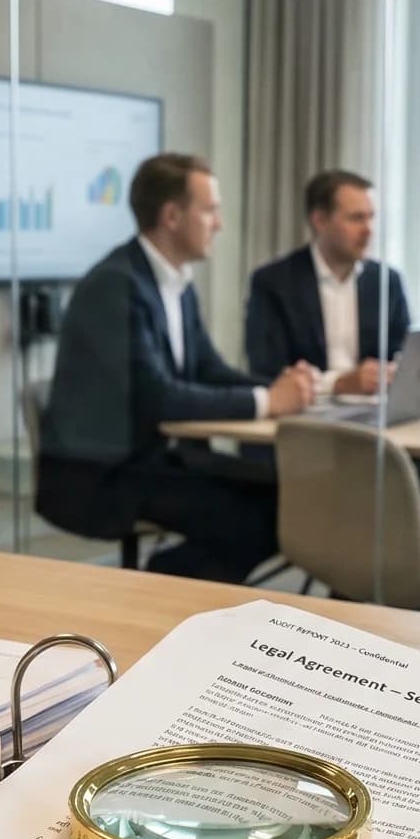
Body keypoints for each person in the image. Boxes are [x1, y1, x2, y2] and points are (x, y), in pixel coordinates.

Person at [37, 153, 317, 582]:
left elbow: (208, 370)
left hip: (157, 458)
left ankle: (169, 588)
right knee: (252, 518)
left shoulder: (175, 282)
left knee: (287, 495)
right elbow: (159, 398)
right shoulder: (116, 285)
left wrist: (283, 389)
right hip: (104, 474)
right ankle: (159, 594)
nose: (219, 223)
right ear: (171, 215)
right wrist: (268, 401)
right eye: (210, 210)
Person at [242, 168, 420, 540]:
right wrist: (340, 382)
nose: (368, 229)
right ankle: (353, 582)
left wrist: (397, 374)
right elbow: (266, 372)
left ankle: (410, 579)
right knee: (364, 483)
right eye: (356, 218)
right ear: (319, 220)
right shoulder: (274, 283)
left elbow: (405, 356)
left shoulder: (386, 281)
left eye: (371, 217)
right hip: (307, 430)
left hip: (375, 426)